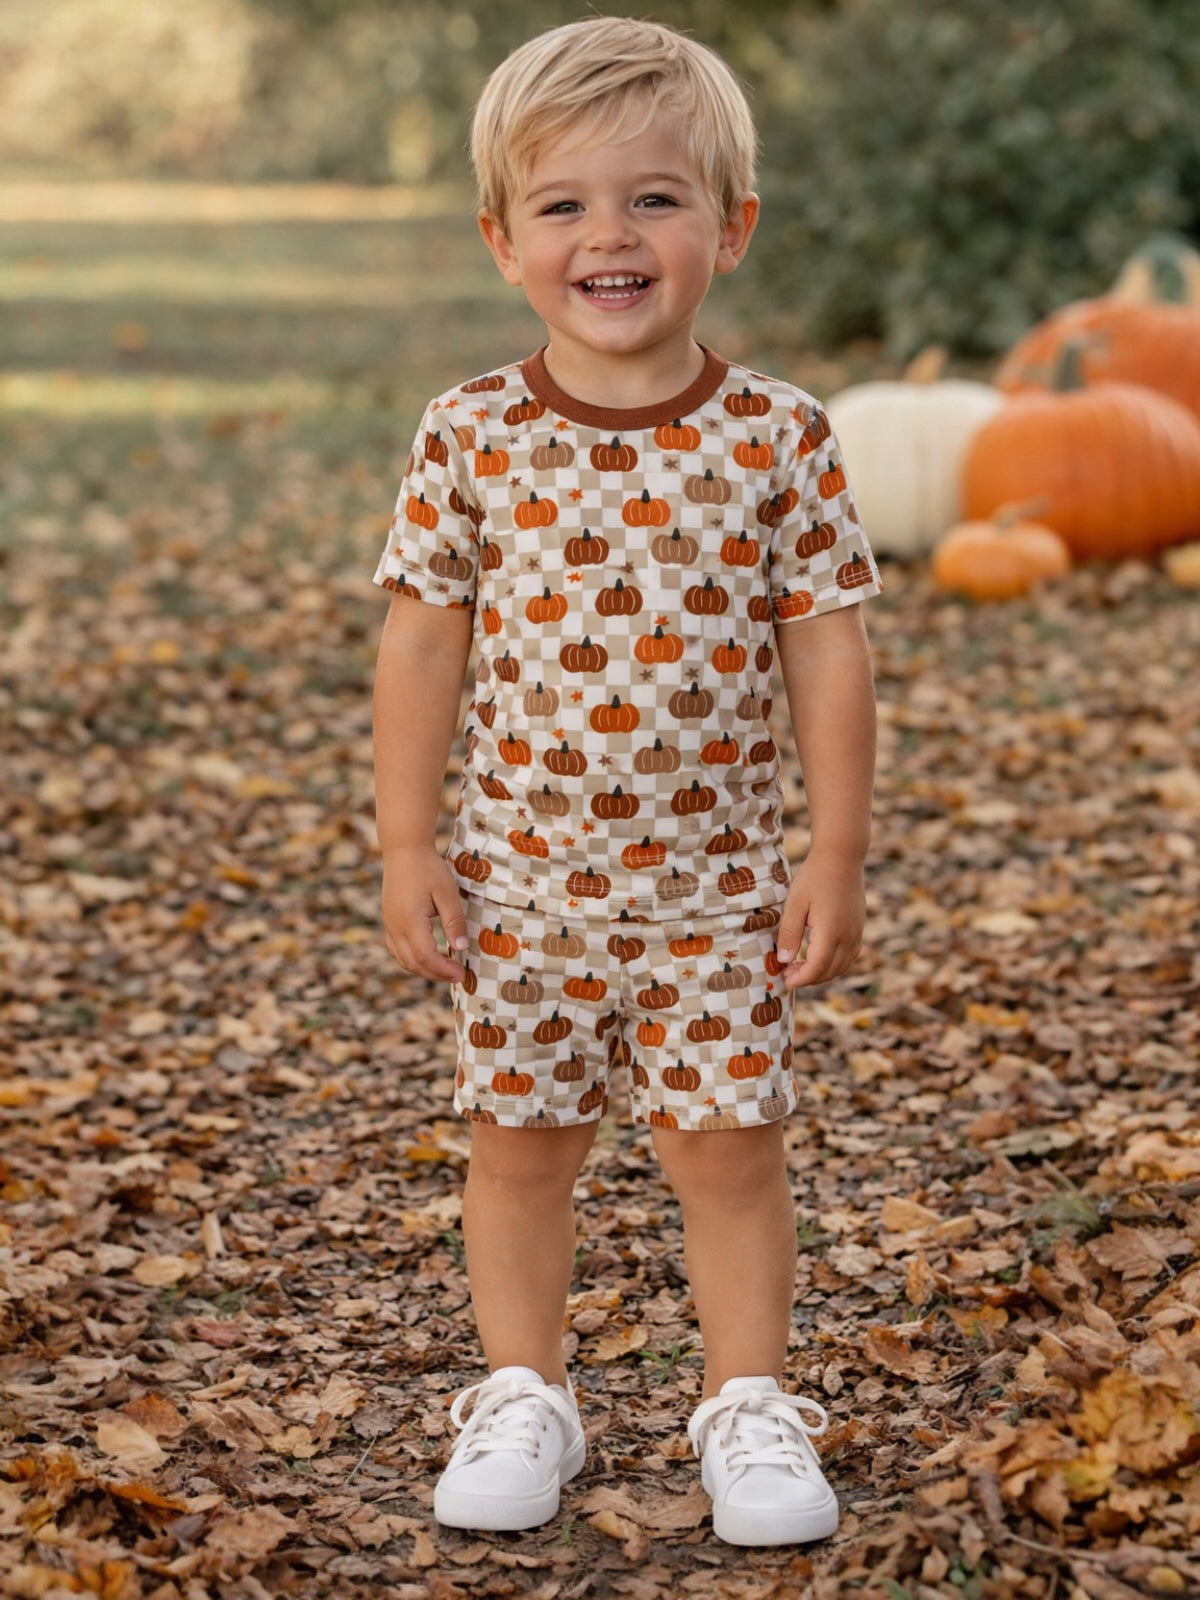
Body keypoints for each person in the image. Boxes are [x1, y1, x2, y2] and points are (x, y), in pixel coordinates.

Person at [371, 15, 880, 1548]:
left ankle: (750, 1406)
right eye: (566, 205)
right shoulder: (473, 434)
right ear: (502, 239)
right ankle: (523, 1390)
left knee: (730, 1151)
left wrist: (835, 853)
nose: (612, 236)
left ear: (730, 227)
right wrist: (408, 842)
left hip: (718, 884)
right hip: (521, 877)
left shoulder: (778, 436)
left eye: (656, 199)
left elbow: (831, 652)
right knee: (520, 1149)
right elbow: (421, 640)